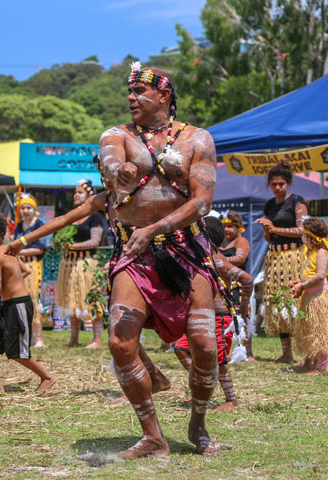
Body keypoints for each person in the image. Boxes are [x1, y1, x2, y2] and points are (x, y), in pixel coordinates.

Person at [98, 63, 220, 458]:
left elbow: (202, 202)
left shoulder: (197, 139)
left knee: (203, 346)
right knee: (119, 342)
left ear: (164, 95)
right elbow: (111, 165)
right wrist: (122, 172)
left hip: (185, 250)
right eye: (128, 92)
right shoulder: (118, 135)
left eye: (140, 92)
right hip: (135, 253)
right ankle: (153, 436)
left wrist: (154, 229)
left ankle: (198, 423)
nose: (131, 98)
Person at [5, 184, 172, 399]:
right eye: (104, 172)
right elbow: (62, 221)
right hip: (125, 263)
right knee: (120, 330)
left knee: (123, 329)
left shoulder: (144, 193)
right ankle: (150, 380)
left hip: (151, 261)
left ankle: (146, 384)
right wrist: (23, 240)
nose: (110, 175)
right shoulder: (102, 200)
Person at [174, 216, 252, 412]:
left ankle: (231, 399)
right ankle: (200, 387)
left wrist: (242, 308)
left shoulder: (217, 260)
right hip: (199, 315)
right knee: (181, 349)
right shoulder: (199, 256)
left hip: (219, 316)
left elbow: (247, 280)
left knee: (217, 360)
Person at [0, 208, 56, 394]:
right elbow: (26, 271)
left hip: (17, 305)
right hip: (12, 304)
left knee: (18, 352)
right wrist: (15, 281)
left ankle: (47, 377)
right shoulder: (10, 251)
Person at [256, 160, 308, 363]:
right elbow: (268, 237)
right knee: (278, 303)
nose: (277, 187)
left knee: (295, 303)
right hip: (274, 259)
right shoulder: (269, 205)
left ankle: (305, 352)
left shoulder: (297, 201)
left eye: (281, 184)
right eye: (274, 184)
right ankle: (286, 353)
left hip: (293, 257)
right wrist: (268, 231)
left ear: (288, 183)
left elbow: (302, 230)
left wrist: (275, 228)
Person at [289, 218, 328, 375]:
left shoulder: (322, 252)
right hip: (310, 296)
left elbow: (320, 276)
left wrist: (302, 285)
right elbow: (311, 274)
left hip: (319, 297)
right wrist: (299, 282)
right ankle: (311, 361)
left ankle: (321, 367)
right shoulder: (311, 252)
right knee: (310, 330)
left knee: (321, 332)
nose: (302, 238)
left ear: (310, 236)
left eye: (304, 235)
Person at [55, 180, 105, 349]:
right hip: (69, 264)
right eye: (75, 192)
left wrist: (73, 246)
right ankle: (74, 339)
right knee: (71, 299)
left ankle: (96, 340)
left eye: (80, 192)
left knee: (92, 300)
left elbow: (95, 241)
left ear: (90, 196)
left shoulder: (95, 215)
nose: (76, 195)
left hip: (86, 264)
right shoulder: (71, 215)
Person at [12, 194, 50, 348]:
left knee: (34, 301)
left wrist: (20, 253)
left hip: (34, 267)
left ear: (34, 210)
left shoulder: (39, 224)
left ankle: (39, 339)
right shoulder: (19, 226)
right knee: (21, 301)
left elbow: (40, 249)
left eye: (29, 208)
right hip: (20, 266)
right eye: (23, 208)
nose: (26, 211)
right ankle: (27, 338)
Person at [219, 211, 254, 360]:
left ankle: (248, 351)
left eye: (230, 226)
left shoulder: (241, 241)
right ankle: (224, 350)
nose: (227, 229)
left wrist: (219, 261)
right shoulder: (219, 242)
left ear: (238, 227)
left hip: (238, 285)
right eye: (224, 226)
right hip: (222, 284)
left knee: (243, 316)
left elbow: (240, 258)